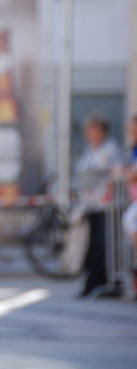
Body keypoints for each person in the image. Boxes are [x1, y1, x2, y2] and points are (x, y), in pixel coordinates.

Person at [74, 113, 122, 298]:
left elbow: (116, 173)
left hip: (106, 206)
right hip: (90, 204)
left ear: (103, 131)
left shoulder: (111, 149)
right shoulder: (89, 150)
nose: (91, 133)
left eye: (95, 129)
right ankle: (91, 283)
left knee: (103, 245)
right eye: (89, 130)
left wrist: (109, 190)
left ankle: (104, 282)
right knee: (91, 245)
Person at [121, 114, 137, 297]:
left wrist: (125, 173)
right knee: (129, 222)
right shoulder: (133, 148)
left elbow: (133, 174)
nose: (131, 133)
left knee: (129, 220)